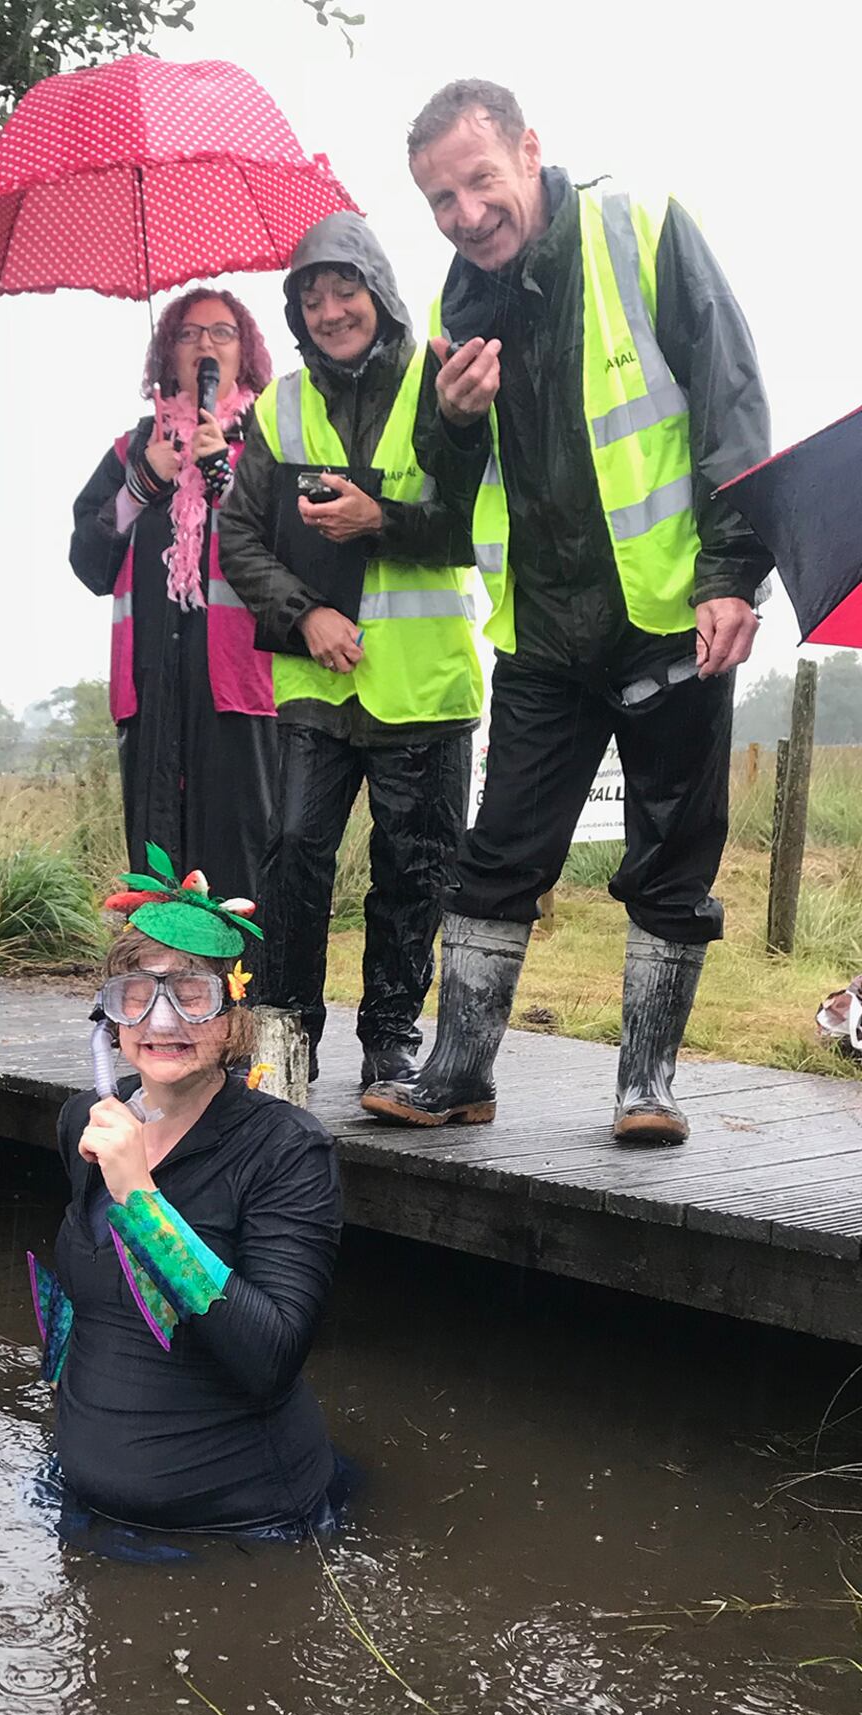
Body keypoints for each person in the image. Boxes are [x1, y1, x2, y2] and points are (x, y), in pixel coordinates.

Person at [362, 79, 772, 1145]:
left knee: (673, 853)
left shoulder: (642, 230)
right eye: (439, 200)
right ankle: (456, 1075)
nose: (463, 214)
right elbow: (440, 499)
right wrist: (450, 423)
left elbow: (732, 404)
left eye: (477, 182)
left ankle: (648, 1086)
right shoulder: (456, 302)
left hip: (668, 608)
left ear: (528, 151)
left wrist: (732, 571)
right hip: (541, 629)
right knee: (496, 852)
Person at [221, 214, 482, 1088]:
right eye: (311, 296)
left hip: (426, 689)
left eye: (345, 289)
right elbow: (239, 540)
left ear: (378, 290)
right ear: (296, 314)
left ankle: (390, 1047)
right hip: (315, 689)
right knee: (294, 857)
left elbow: (480, 521)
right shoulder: (278, 408)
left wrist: (383, 522)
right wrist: (304, 616)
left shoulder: (438, 384)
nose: (331, 310)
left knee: (414, 871)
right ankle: (286, 1049)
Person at [30, 851, 343, 1536]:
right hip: (87, 1511)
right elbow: (94, 1304)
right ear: (110, 1018)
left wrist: (141, 1196)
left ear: (235, 1014)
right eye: (135, 995)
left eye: (193, 994)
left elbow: (270, 1360)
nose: (162, 1021)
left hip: (241, 1531)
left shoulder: (288, 1152)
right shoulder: (85, 1123)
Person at [69, 290, 277, 898]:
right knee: (159, 854)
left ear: (245, 354)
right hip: (152, 678)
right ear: (167, 352)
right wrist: (140, 485)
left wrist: (223, 478)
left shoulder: (272, 443)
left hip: (241, 681)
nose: (205, 346)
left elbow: (290, 550)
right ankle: (158, 986)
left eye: (221, 332)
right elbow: (88, 560)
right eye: (188, 335)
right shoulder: (133, 450)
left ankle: (243, 986)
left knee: (241, 848)